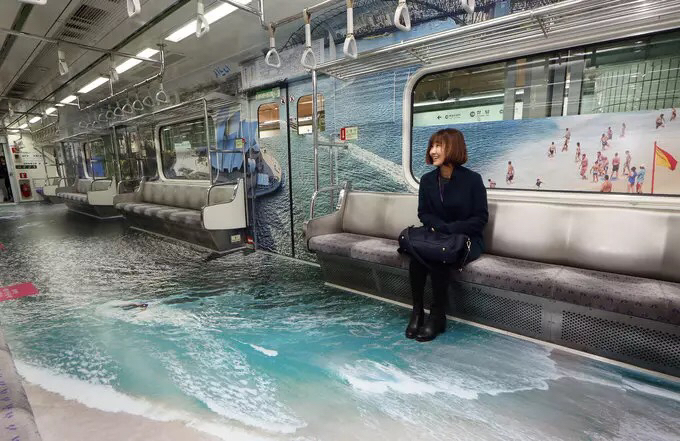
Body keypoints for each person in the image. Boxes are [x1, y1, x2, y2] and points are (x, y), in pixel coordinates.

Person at [407, 128, 488, 342]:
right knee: (417, 258)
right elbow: (423, 213)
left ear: (453, 148)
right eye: (432, 146)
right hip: (438, 236)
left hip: (466, 239)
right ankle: (417, 312)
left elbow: (480, 219)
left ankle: (437, 315)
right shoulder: (426, 180)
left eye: (438, 146)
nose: (433, 151)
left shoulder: (472, 180)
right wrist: (439, 227)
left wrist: (447, 229)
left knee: (439, 257)